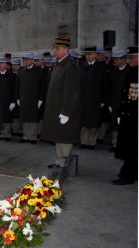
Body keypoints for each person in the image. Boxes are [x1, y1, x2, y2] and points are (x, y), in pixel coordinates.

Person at [41, 35, 81, 169]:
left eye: (57, 48)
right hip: (56, 108)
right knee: (58, 136)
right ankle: (58, 160)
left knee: (65, 138)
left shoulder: (71, 66)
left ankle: (63, 163)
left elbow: (71, 92)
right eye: (55, 48)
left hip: (64, 110)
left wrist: (66, 112)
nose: (55, 51)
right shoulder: (58, 65)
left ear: (65, 49)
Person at [113, 46, 138, 185]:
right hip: (129, 114)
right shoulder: (133, 71)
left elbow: (133, 97)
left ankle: (127, 175)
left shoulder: (135, 73)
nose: (129, 60)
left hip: (133, 116)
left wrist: (126, 112)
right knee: (132, 148)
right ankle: (131, 173)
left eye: (132, 58)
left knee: (131, 147)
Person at [80, 46, 107, 149]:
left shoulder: (101, 67)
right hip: (84, 98)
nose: (88, 56)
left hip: (96, 98)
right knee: (84, 121)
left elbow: (104, 85)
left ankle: (91, 142)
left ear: (95, 54)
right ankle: (84, 141)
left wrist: (103, 100)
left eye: (90, 54)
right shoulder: (83, 66)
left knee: (94, 121)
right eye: (86, 54)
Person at [15, 52, 45, 144]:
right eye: (24, 60)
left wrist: (41, 99)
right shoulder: (20, 71)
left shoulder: (39, 71)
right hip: (23, 98)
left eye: (27, 59)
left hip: (34, 98)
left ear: (32, 60)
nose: (25, 61)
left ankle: (33, 137)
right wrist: (17, 98)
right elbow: (17, 86)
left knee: (33, 118)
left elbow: (42, 86)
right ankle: (25, 136)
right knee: (25, 118)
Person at [108, 50, 130, 152]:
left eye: (117, 59)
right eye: (114, 59)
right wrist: (109, 103)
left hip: (126, 103)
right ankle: (115, 144)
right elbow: (110, 88)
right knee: (114, 124)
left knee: (125, 125)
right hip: (115, 102)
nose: (115, 61)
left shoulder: (130, 71)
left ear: (123, 59)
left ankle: (123, 145)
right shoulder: (113, 71)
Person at [0, 57, 16, 141]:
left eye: (2, 63)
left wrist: (13, 101)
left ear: (6, 65)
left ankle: (7, 134)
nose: (0, 65)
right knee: (0, 117)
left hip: (7, 100)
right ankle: (1, 133)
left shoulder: (11, 75)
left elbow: (14, 89)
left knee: (7, 118)